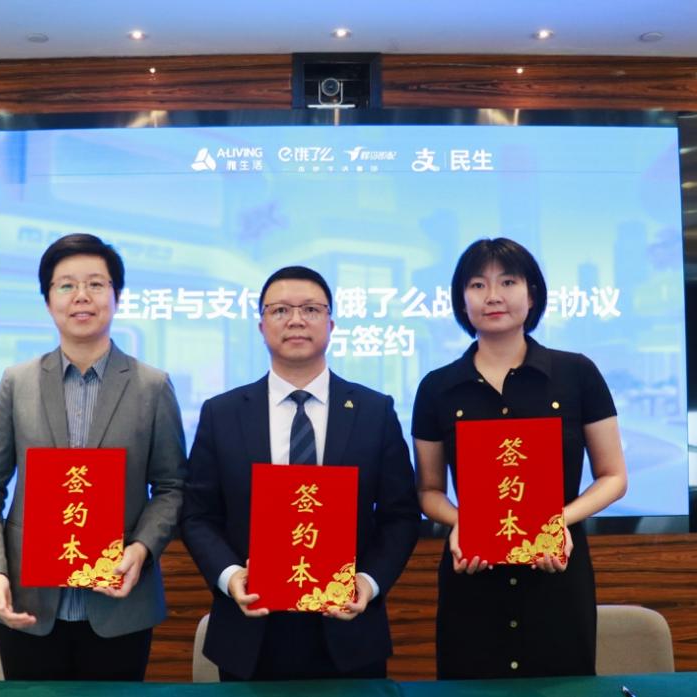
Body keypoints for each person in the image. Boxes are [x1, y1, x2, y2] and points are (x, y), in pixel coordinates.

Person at [0, 233, 186, 681]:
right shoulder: (17, 382)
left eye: (96, 284)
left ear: (116, 297)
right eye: (66, 285)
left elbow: (172, 486)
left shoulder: (152, 385)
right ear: (48, 301)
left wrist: (142, 548)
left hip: (120, 605)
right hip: (29, 602)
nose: (81, 296)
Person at [181, 265, 420, 681]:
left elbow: (400, 515)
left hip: (349, 632)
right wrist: (231, 576)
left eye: (310, 309)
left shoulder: (374, 411)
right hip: (250, 631)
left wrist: (367, 582)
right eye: (280, 310)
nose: (295, 320)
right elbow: (198, 515)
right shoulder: (222, 413)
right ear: (261, 326)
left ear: (331, 323)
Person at [412, 237, 627, 679]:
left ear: (532, 295)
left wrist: (556, 521)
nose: (493, 296)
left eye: (507, 282)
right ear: (462, 300)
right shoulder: (437, 387)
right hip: (471, 574)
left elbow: (613, 477)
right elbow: (428, 490)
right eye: (477, 284)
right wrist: (465, 523)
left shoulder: (577, 373)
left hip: (557, 574)